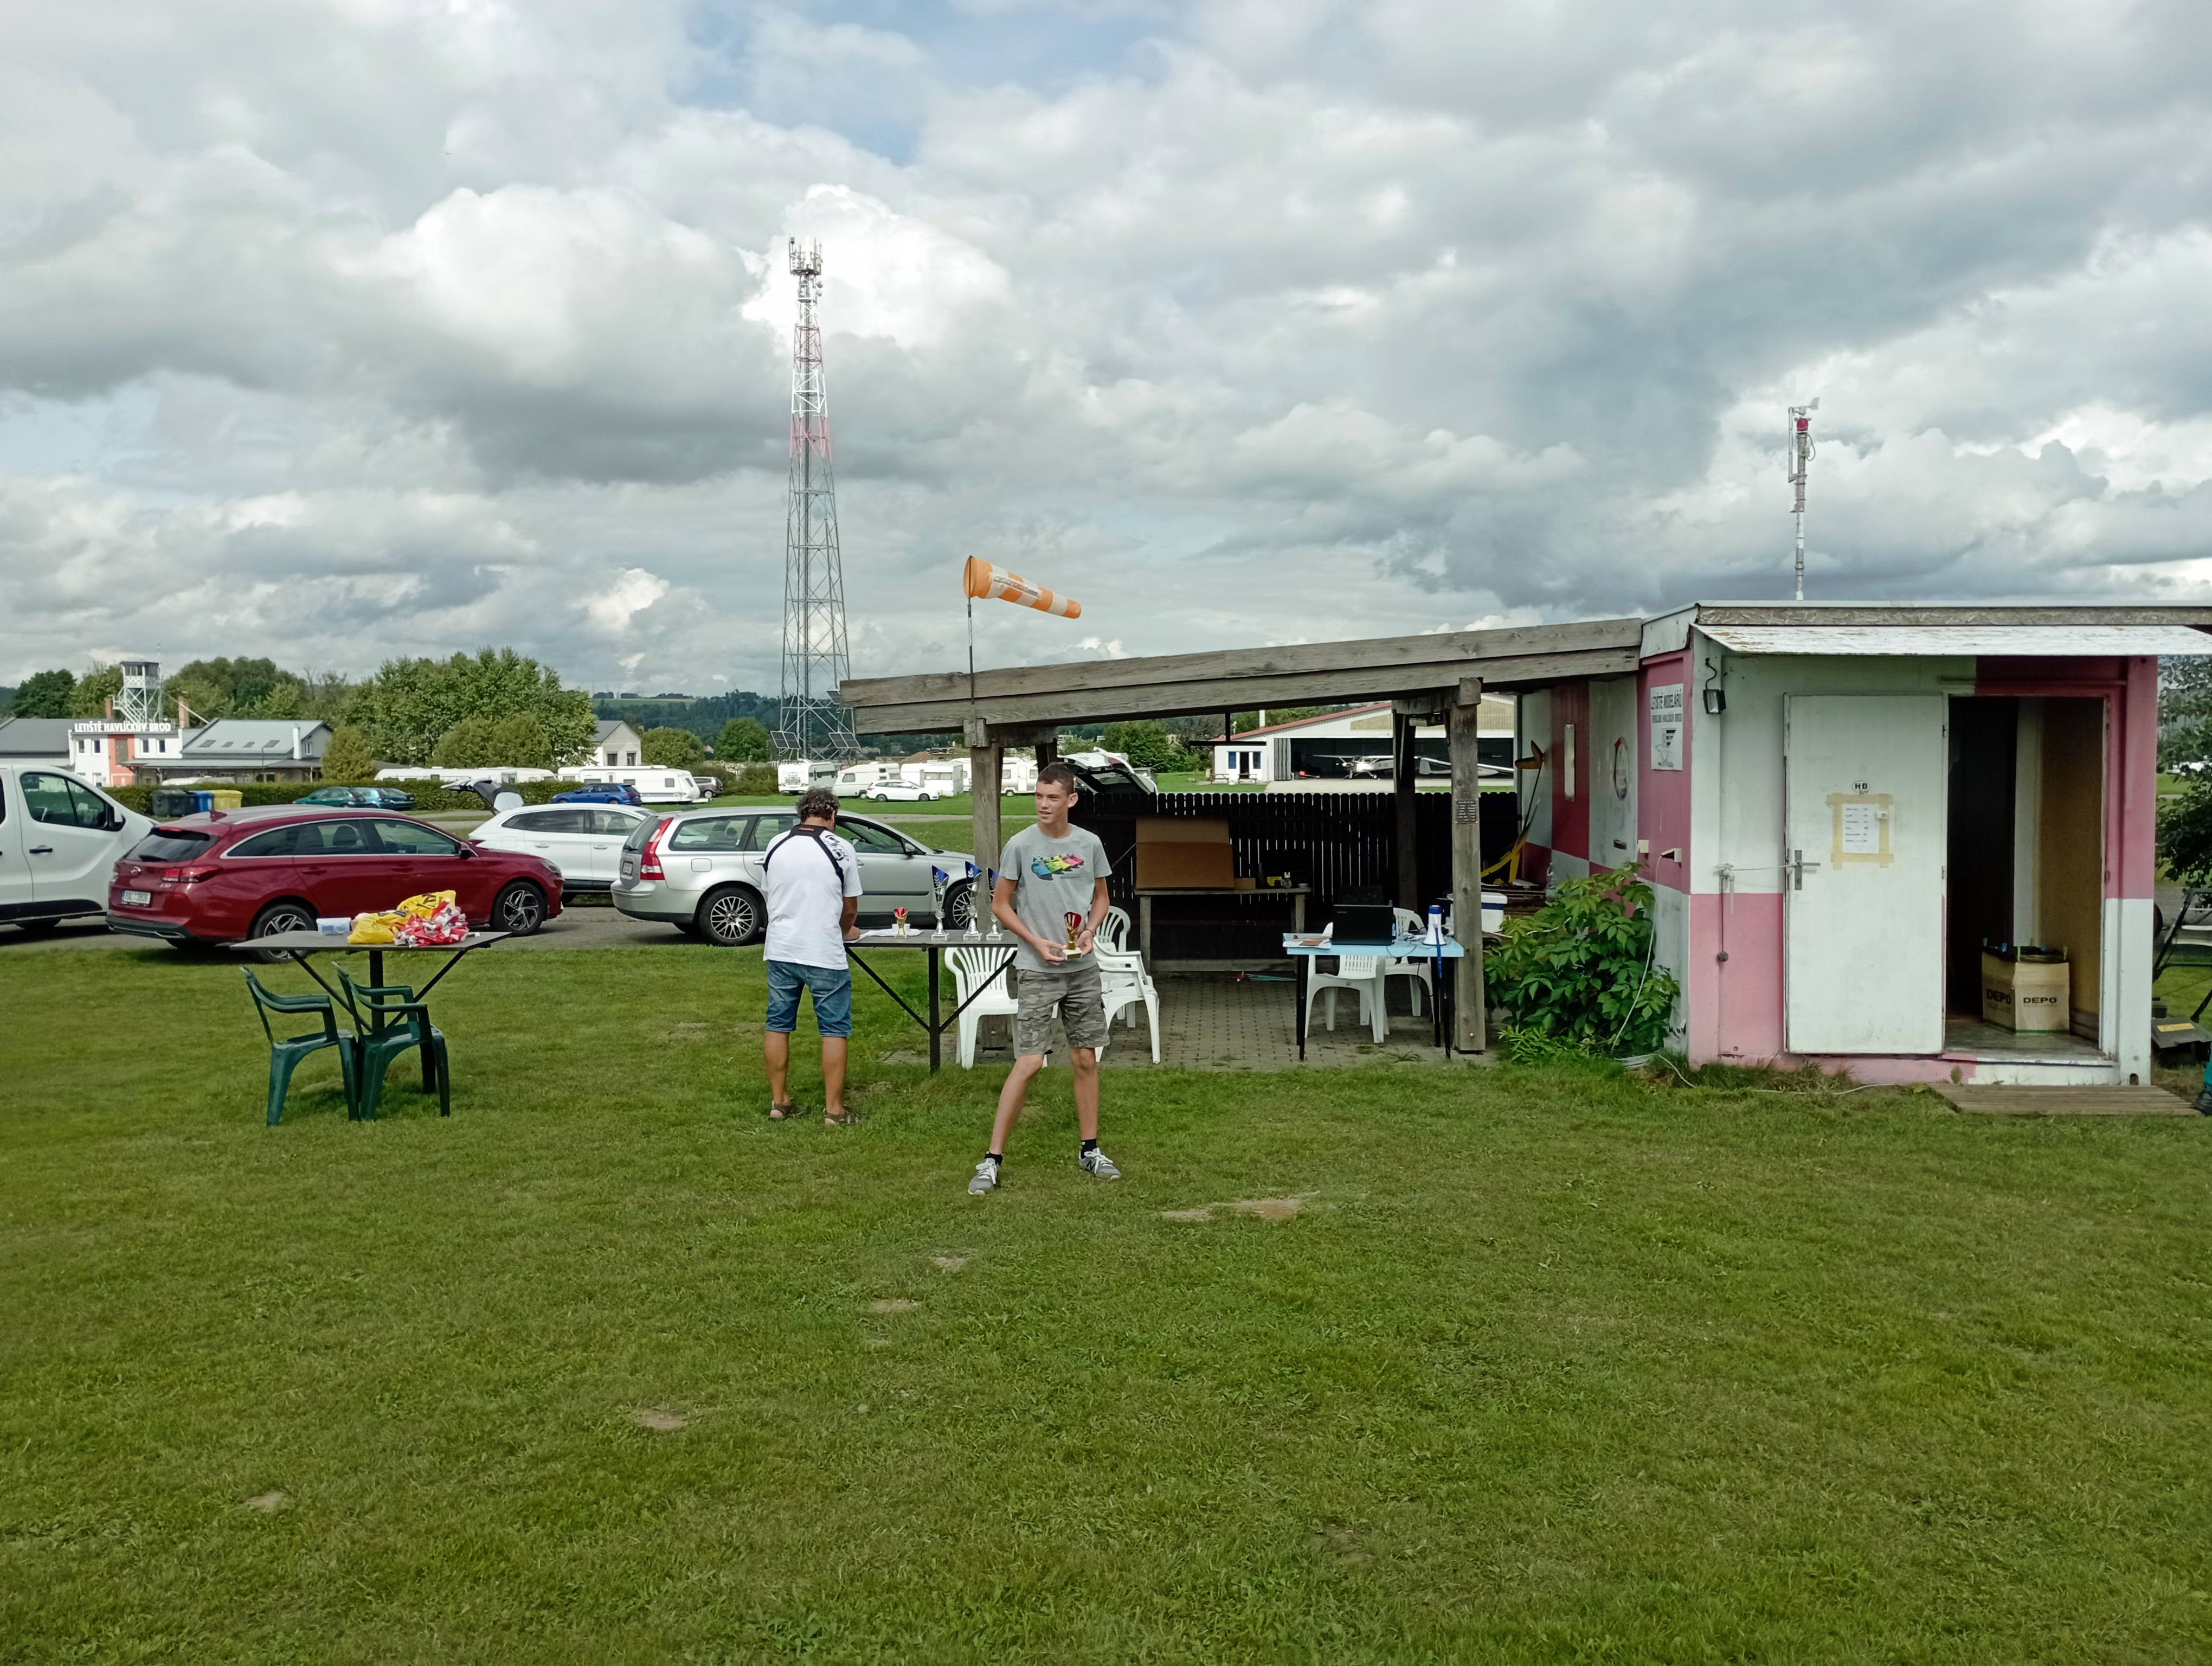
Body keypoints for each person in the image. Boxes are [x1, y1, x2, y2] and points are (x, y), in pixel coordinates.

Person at [969, 760, 1118, 1193]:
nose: (1043, 804)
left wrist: (1090, 931)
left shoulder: (1089, 844)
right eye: (1039, 796)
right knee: (1030, 1061)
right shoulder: (1020, 845)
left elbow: (1102, 898)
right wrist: (1035, 941)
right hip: (1037, 968)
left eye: (1053, 797)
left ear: (1071, 799)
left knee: (1085, 1059)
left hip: (1082, 969)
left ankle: (1090, 1150)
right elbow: (1001, 904)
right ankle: (991, 1160)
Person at [761, 787, 864, 1125]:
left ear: (802, 813)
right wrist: (846, 931)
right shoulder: (841, 848)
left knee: (778, 1024)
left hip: (781, 948)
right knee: (833, 1029)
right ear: (832, 814)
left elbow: (771, 892)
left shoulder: (776, 844)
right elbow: (850, 907)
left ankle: (780, 1102)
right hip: (823, 951)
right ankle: (834, 1110)